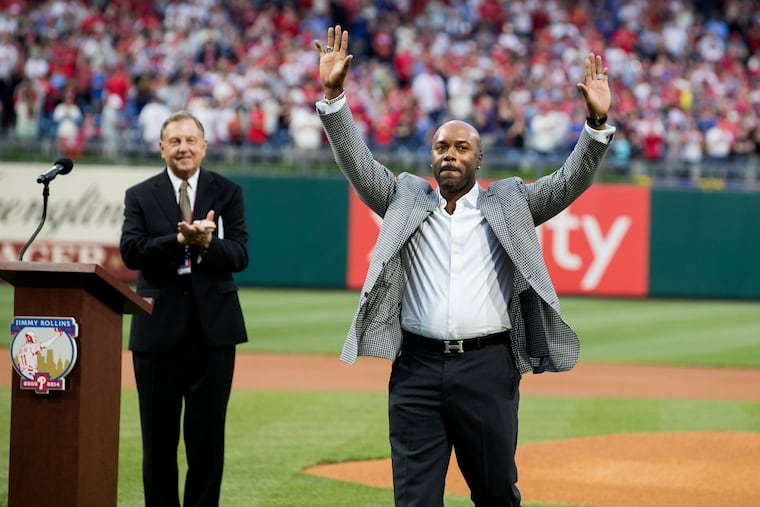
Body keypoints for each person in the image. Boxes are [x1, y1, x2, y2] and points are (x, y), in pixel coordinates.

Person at [314, 26, 615, 506]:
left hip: (487, 367)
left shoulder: (510, 200)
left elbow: (568, 182)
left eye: (460, 148)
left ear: (479, 158)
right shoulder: (403, 198)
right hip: (415, 367)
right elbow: (357, 161)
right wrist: (333, 97)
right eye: (441, 147)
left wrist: (596, 127)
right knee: (414, 498)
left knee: (496, 493)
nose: (449, 155)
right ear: (430, 157)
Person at [120, 110, 249, 507]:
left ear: (204, 146)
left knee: (207, 444)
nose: (183, 148)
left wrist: (207, 245)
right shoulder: (140, 195)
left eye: (190, 140)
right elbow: (131, 252)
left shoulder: (227, 192)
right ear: (161, 149)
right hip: (157, 334)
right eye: (174, 141)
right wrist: (177, 241)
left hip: (214, 334)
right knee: (158, 444)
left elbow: (241, 254)